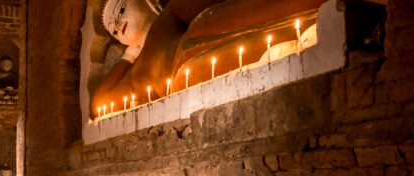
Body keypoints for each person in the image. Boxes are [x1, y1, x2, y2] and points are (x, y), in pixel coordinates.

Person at [90, 0, 326, 117]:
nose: (119, 26)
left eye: (120, 11)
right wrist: (130, 55)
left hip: (197, 32)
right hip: (187, 76)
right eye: (112, 30)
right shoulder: (136, 71)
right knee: (188, 75)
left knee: (270, 16)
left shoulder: (166, 20)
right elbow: (99, 104)